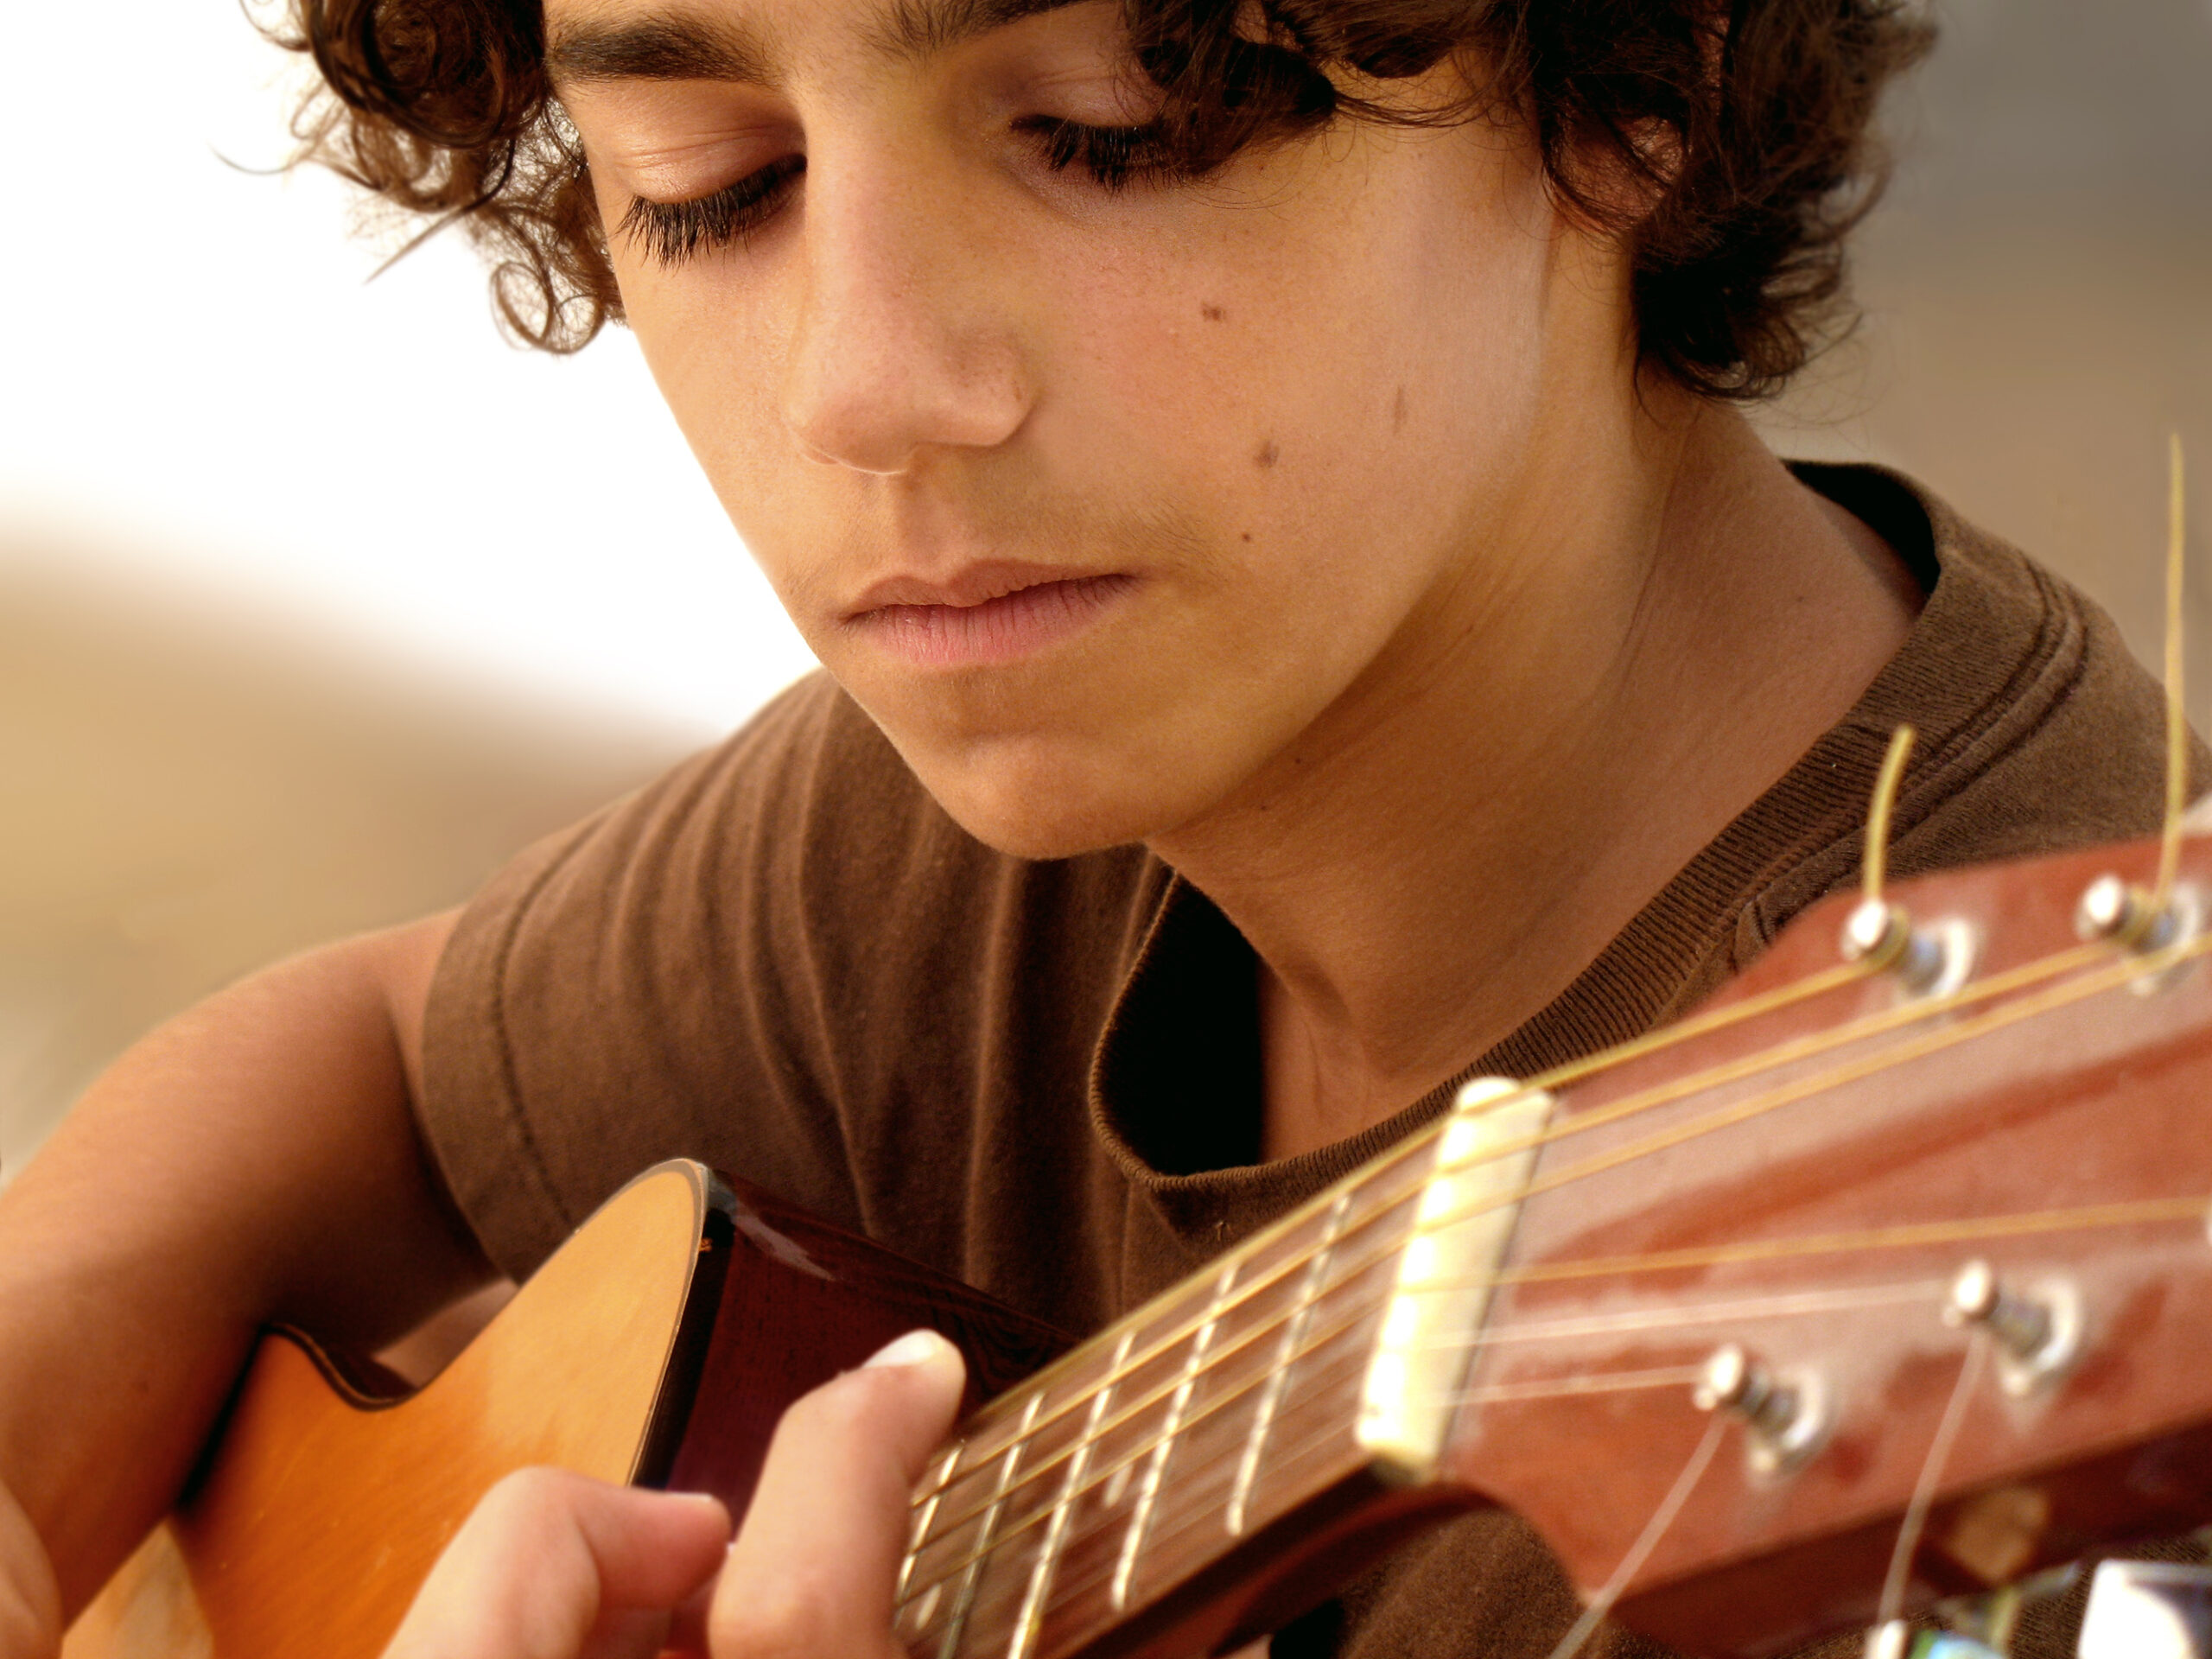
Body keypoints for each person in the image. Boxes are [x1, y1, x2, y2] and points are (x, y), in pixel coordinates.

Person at [0, 0, 2197, 1656]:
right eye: (708, 180)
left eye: (1107, 127)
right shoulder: (1013, 820)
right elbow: (377, 1070)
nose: (860, 388)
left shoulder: (2007, 1258)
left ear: (1633, 78)